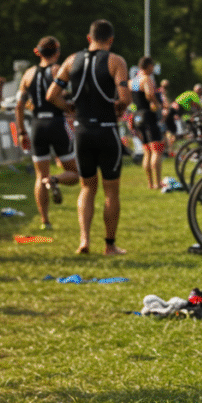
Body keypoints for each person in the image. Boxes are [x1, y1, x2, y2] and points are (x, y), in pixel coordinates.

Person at [46, 19, 132, 255]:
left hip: (82, 131)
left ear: (89, 38)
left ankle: (84, 240)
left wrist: (69, 108)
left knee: (87, 187)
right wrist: (118, 108)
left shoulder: (71, 60)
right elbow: (125, 97)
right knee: (111, 190)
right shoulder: (116, 61)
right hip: (106, 130)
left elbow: (52, 95)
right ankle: (110, 245)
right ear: (110, 40)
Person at [17, 35, 80, 228]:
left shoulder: (28, 74)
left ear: (39, 52)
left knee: (39, 176)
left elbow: (19, 105)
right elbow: (69, 96)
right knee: (74, 174)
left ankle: (45, 221)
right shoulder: (58, 70)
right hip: (56, 123)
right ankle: (54, 179)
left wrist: (21, 132)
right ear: (57, 52)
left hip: (36, 126)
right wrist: (69, 108)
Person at [131, 56, 164, 190]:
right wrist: (157, 104)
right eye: (152, 66)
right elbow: (150, 94)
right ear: (148, 66)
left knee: (146, 151)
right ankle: (157, 183)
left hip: (137, 115)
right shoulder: (146, 79)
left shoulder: (134, 80)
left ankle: (150, 183)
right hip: (148, 115)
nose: (153, 68)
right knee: (156, 150)